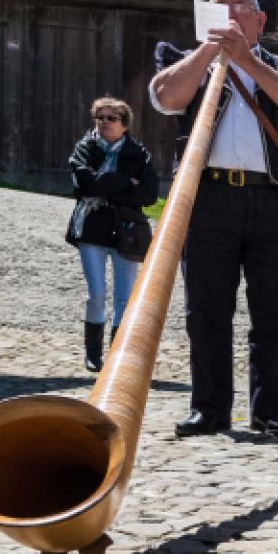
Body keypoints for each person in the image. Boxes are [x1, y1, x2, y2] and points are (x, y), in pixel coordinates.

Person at [151, 0, 278, 436]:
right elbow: (166, 98)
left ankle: (269, 410)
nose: (230, 15)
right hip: (208, 197)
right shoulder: (186, 60)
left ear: (259, 19)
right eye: (219, 7)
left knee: (276, 310)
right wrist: (210, 54)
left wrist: (248, 61)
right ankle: (209, 408)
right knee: (206, 309)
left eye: (239, 7)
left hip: (274, 200)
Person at [65, 97, 159, 372]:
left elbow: (149, 193)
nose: (104, 123)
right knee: (95, 293)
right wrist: (124, 181)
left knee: (124, 297)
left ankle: (118, 354)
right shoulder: (85, 148)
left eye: (111, 118)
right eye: (100, 117)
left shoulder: (139, 153)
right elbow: (87, 184)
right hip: (92, 227)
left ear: (124, 125)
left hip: (126, 231)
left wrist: (106, 184)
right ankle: (92, 354)